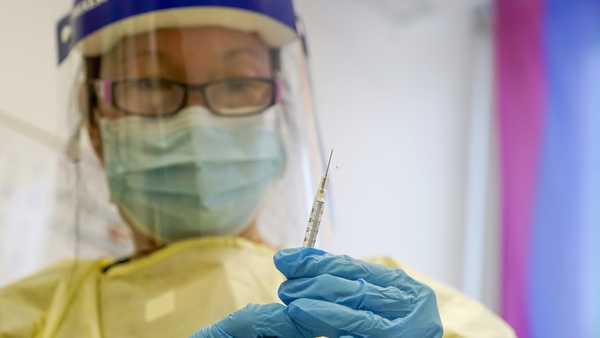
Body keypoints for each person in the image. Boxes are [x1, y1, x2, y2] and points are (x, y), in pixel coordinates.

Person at [0, 1, 515, 337]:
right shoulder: (28, 317)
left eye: (238, 83)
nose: (197, 120)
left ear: (279, 113)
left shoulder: (389, 307)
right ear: (97, 128)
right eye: (151, 84)